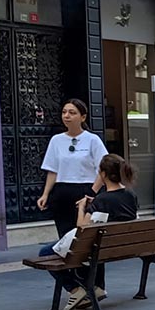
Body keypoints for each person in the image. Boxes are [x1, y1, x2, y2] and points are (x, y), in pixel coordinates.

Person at [38, 154, 139, 310]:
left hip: (95, 246)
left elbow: (82, 226)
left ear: (104, 175)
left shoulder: (102, 200)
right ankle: (96, 287)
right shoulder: (130, 195)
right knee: (94, 244)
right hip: (117, 245)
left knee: (44, 252)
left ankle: (75, 289)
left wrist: (82, 207)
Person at [37, 99, 108, 238]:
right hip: (62, 191)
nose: (66, 116)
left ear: (83, 117)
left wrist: (92, 192)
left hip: (85, 189)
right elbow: (52, 170)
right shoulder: (56, 140)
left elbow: (104, 169)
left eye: (72, 113)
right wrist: (45, 194)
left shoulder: (92, 140)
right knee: (65, 235)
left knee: (86, 234)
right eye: (64, 112)